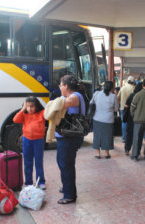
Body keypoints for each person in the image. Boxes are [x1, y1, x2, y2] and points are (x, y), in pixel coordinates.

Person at [55, 75, 86, 204]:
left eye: (61, 85)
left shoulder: (75, 96)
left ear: (66, 86)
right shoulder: (69, 97)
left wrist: (57, 100)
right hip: (65, 136)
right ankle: (67, 187)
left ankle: (69, 195)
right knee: (63, 163)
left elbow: (62, 104)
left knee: (66, 165)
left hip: (70, 137)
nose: (59, 87)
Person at [13, 97, 46, 190]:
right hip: (26, 140)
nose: (30, 109)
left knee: (39, 162)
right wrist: (23, 109)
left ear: (37, 106)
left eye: (32, 106)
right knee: (27, 162)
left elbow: (48, 115)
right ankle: (28, 182)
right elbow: (15, 120)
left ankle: (41, 182)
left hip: (38, 140)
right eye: (28, 107)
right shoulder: (24, 114)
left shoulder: (41, 113)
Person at [90, 81, 118, 159]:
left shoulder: (96, 94)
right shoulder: (113, 96)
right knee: (107, 136)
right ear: (112, 88)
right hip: (108, 120)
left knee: (97, 136)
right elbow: (116, 109)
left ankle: (98, 154)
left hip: (97, 119)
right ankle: (106, 154)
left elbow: (91, 103)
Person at [123, 82, 143, 155]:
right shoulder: (141, 96)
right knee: (138, 135)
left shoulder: (131, 95)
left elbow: (126, 106)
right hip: (139, 118)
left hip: (130, 118)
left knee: (129, 134)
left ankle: (127, 149)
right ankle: (136, 151)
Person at [117, 76, 135, 143]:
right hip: (132, 109)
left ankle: (124, 138)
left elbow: (118, 97)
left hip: (123, 108)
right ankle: (130, 138)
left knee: (124, 123)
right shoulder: (134, 88)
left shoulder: (122, 88)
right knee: (131, 123)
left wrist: (119, 105)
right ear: (133, 82)